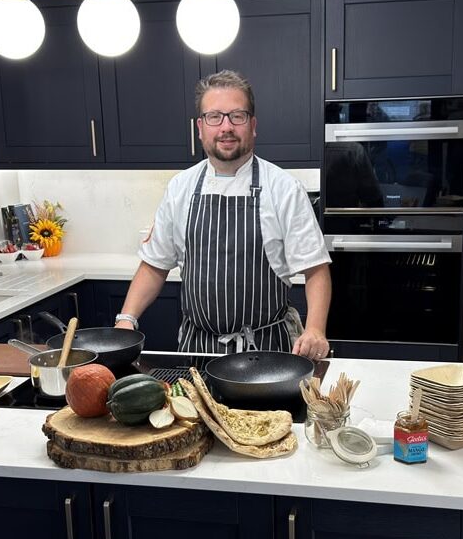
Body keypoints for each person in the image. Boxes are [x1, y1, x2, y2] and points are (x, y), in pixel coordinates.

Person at [114, 70, 331, 360]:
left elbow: (316, 269)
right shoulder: (180, 188)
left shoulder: (284, 188)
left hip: (267, 353)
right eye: (214, 117)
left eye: (237, 116)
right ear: (200, 127)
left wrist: (315, 329)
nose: (226, 127)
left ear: (253, 125)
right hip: (197, 350)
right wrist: (126, 319)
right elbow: (155, 265)